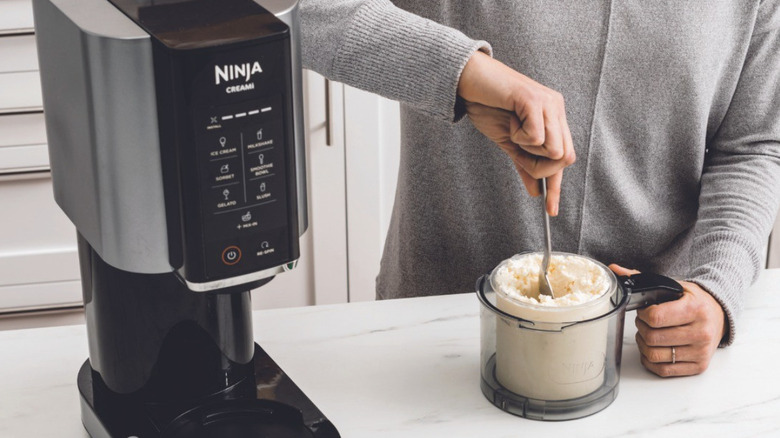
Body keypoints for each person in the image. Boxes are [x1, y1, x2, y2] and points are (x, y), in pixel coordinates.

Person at [299, 0, 780, 377]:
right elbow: (299, 10)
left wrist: (717, 290)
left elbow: (754, 144)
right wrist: (460, 69)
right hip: (441, 337)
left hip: (646, 347)